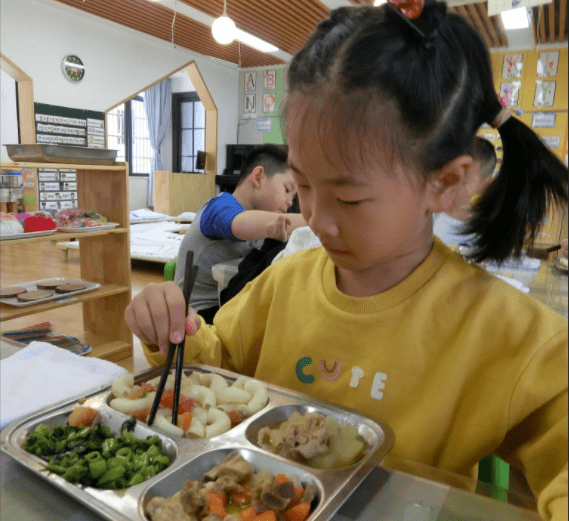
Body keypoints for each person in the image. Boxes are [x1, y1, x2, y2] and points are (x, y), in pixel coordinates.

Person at [125, 2, 568, 520]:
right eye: (304, 185)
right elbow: (218, 362)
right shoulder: (287, 283)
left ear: (445, 184)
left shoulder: (503, 332)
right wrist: (174, 329)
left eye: (350, 199)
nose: (316, 218)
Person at [173, 144, 305, 323]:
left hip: (228, 306)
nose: (289, 202)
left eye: (293, 197)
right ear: (258, 177)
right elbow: (240, 224)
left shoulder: (261, 227)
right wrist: (314, 221)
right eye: (287, 190)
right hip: (198, 316)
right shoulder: (218, 207)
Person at [433, 137, 496, 245]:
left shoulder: (483, 232)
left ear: (483, 186)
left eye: (465, 182)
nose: (451, 186)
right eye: (450, 174)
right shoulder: (428, 213)